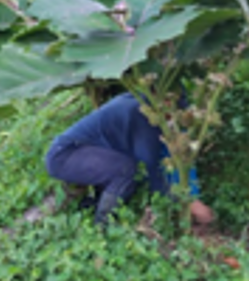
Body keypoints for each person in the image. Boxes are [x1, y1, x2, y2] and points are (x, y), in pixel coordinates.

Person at [45, 92, 214, 225]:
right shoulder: (141, 115)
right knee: (125, 169)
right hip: (66, 155)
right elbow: (152, 169)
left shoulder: (147, 105)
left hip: (90, 153)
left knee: (124, 168)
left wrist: (191, 194)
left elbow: (173, 158)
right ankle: (103, 226)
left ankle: (90, 205)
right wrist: (186, 204)